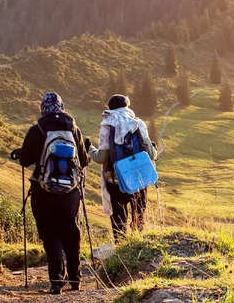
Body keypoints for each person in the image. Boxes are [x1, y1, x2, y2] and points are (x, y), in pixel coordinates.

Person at [17, 92, 88, 295]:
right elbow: (83, 160)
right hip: (71, 192)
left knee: (50, 234)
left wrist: (21, 154)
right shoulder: (74, 128)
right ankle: (75, 279)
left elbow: (25, 160)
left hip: (43, 191)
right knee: (72, 232)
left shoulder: (37, 129)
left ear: (43, 109)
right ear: (61, 107)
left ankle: (57, 281)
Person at [87, 94, 157, 242]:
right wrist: (154, 148)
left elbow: (101, 158)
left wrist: (89, 148)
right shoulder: (138, 123)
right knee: (139, 216)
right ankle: (138, 246)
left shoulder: (107, 124)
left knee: (119, 219)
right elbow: (152, 154)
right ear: (127, 107)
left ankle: (121, 249)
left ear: (110, 109)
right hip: (139, 178)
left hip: (116, 180)